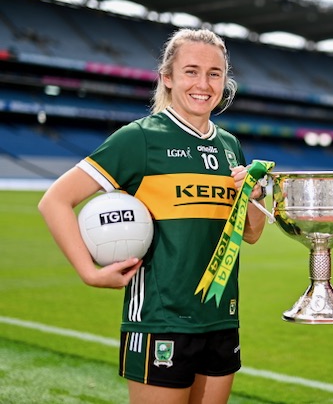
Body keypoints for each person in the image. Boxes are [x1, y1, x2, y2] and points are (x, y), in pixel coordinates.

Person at [38, 28, 268, 404]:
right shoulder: (140, 138)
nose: (204, 83)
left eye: (214, 73)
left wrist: (254, 194)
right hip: (159, 320)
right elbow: (55, 201)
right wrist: (89, 272)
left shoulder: (230, 146)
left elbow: (252, 233)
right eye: (191, 71)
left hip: (222, 318)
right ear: (168, 78)